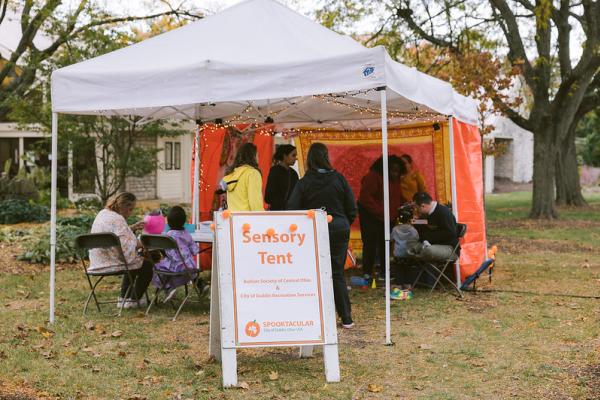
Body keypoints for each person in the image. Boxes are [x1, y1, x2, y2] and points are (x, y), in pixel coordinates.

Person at [286, 143, 357, 329]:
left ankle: (316, 317)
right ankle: (346, 317)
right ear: (326, 157)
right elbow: (352, 208)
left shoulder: (304, 182)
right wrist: (342, 223)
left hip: (314, 229)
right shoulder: (339, 179)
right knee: (337, 273)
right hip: (339, 228)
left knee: (313, 273)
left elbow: (291, 209)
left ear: (309, 159)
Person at [89, 192, 152, 308]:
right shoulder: (118, 219)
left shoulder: (103, 213)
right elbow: (127, 248)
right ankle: (134, 300)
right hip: (112, 262)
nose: (131, 212)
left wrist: (131, 228)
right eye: (131, 209)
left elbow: (115, 234)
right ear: (124, 206)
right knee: (146, 263)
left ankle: (123, 298)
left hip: (98, 261)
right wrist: (145, 241)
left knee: (133, 262)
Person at [357, 155, 407, 281]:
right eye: (393, 170)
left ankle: (385, 271)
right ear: (385, 168)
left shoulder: (395, 179)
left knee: (385, 243)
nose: (395, 174)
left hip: (387, 216)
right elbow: (365, 198)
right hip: (370, 216)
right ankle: (367, 272)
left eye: (397, 171)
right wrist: (381, 212)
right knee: (370, 243)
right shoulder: (373, 177)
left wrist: (405, 203)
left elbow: (397, 195)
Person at [151, 206, 206, 301]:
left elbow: (163, 250)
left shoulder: (167, 236)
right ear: (184, 221)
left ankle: (169, 288)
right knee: (191, 271)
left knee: (158, 267)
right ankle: (200, 283)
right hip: (187, 267)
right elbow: (195, 251)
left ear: (168, 222)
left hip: (173, 267)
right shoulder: (187, 234)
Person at [412, 191, 458, 261]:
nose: (416, 210)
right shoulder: (428, 212)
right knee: (410, 246)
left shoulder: (443, 213)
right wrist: (414, 221)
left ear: (423, 206)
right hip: (432, 244)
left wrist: (428, 237)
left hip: (449, 247)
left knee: (428, 251)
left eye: (416, 208)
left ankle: (417, 261)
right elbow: (425, 222)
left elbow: (451, 233)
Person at [221, 142, 265, 211]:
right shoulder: (252, 173)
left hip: (233, 219)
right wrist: (262, 218)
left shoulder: (232, 173)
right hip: (248, 220)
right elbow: (255, 202)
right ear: (253, 156)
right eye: (257, 155)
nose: (258, 158)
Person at [264, 144, 299, 210]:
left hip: (290, 211)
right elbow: (268, 196)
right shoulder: (275, 171)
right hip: (278, 212)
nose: (295, 158)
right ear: (285, 156)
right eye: (293, 155)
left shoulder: (293, 173)